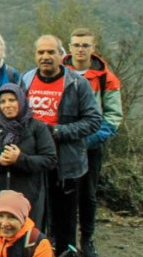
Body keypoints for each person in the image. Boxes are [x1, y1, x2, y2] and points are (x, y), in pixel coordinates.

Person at [21, 35, 100, 256]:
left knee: (65, 221)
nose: (46, 57)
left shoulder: (76, 83)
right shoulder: (26, 79)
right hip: (33, 161)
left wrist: (58, 131)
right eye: (41, 52)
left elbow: (93, 120)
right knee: (34, 218)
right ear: (35, 55)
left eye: (51, 52)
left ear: (61, 55)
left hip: (66, 163)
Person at [62, 28, 123, 257]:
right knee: (63, 194)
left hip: (90, 146)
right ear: (69, 46)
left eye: (85, 45)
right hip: (62, 143)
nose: (80, 49)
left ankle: (87, 240)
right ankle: (63, 240)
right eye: (76, 45)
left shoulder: (106, 76)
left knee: (87, 194)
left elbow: (113, 117)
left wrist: (89, 140)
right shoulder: (58, 71)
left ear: (93, 47)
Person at [0, 84, 57, 225]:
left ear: (21, 101)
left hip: (28, 194)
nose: (7, 105)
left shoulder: (37, 127)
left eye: (12, 100)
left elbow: (50, 159)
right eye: (3, 102)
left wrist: (20, 159)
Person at [0, 190, 54, 257]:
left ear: (22, 220)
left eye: (12, 217)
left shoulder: (37, 243)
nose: (4, 223)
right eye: (0, 216)